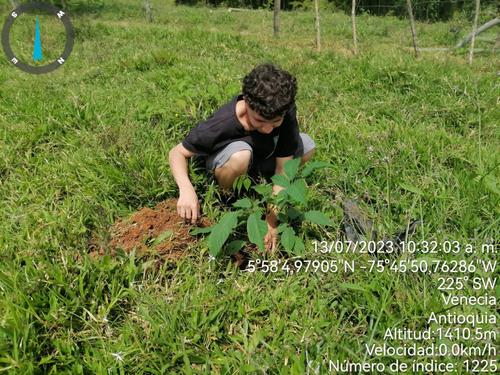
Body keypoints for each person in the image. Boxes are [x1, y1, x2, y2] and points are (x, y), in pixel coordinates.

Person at [169, 63, 315, 251]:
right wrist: (186, 188)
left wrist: (271, 222)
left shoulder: (284, 111)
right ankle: (228, 196)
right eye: (260, 121)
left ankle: (260, 185)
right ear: (246, 102)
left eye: (275, 122)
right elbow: (177, 152)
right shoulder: (221, 124)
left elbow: (283, 170)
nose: (268, 129)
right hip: (231, 160)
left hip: (262, 155)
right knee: (241, 156)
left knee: (308, 145)